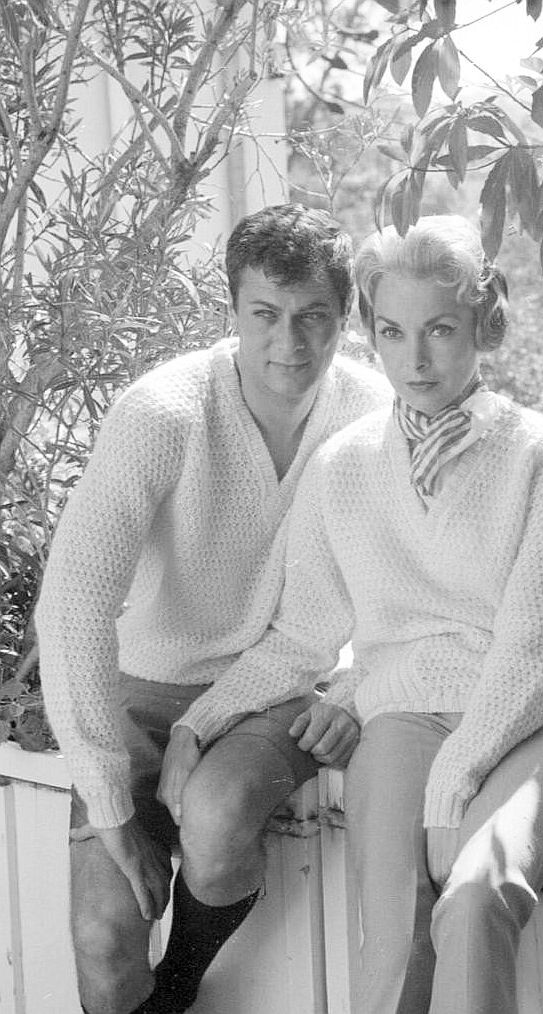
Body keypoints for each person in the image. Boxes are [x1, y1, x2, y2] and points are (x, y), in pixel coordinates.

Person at [196, 214, 543, 1013]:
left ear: (484, 326)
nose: (414, 359)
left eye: (440, 330)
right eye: (391, 331)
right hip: (405, 719)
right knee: (391, 935)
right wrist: (200, 723)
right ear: (370, 332)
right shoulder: (341, 467)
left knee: (476, 891)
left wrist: (452, 784)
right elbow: (303, 634)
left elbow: (537, 656)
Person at [34, 203, 390, 1014]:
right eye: (264, 313)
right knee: (102, 940)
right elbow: (75, 603)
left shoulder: (372, 417)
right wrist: (108, 804)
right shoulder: (163, 413)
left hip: (282, 685)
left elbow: (408, 589)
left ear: (346, 318)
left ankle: (178, 991)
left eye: (313, 316)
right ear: (230, 310)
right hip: (146, 687)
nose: (288, 343)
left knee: (220, 813)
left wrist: (354, 689)